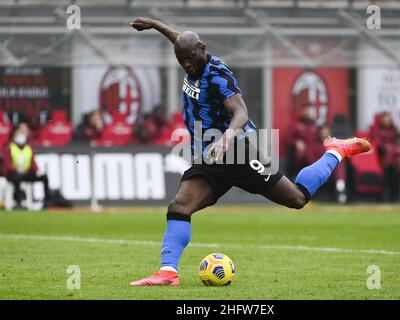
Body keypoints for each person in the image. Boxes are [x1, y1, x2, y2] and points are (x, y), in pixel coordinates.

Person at [128, 17, 371, 286]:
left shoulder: (218, 75)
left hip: (239, 151)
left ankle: (335, 151)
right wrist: (153, 24)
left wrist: (226, 138)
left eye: (189, 58)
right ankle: (168, 273)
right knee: (180, 206)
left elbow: (241, 112)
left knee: (297, 199)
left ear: (202, 50)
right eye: (181, 59)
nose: (186, 64)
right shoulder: (189, 53)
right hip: (211, 155)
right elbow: (180, 39)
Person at [2, 123, 51, 208]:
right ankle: (18, 201)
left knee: (44, 177)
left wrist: (38, 170)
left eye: (25, 132)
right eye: (21, 132)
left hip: (26, 172)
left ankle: (46, 201)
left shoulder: (28, 147)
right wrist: (16, 169)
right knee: (17, 177)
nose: (23, 134)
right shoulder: (9, 147)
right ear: (15, 133)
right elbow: (6, 164)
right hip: (13, 173)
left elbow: (32, 163)